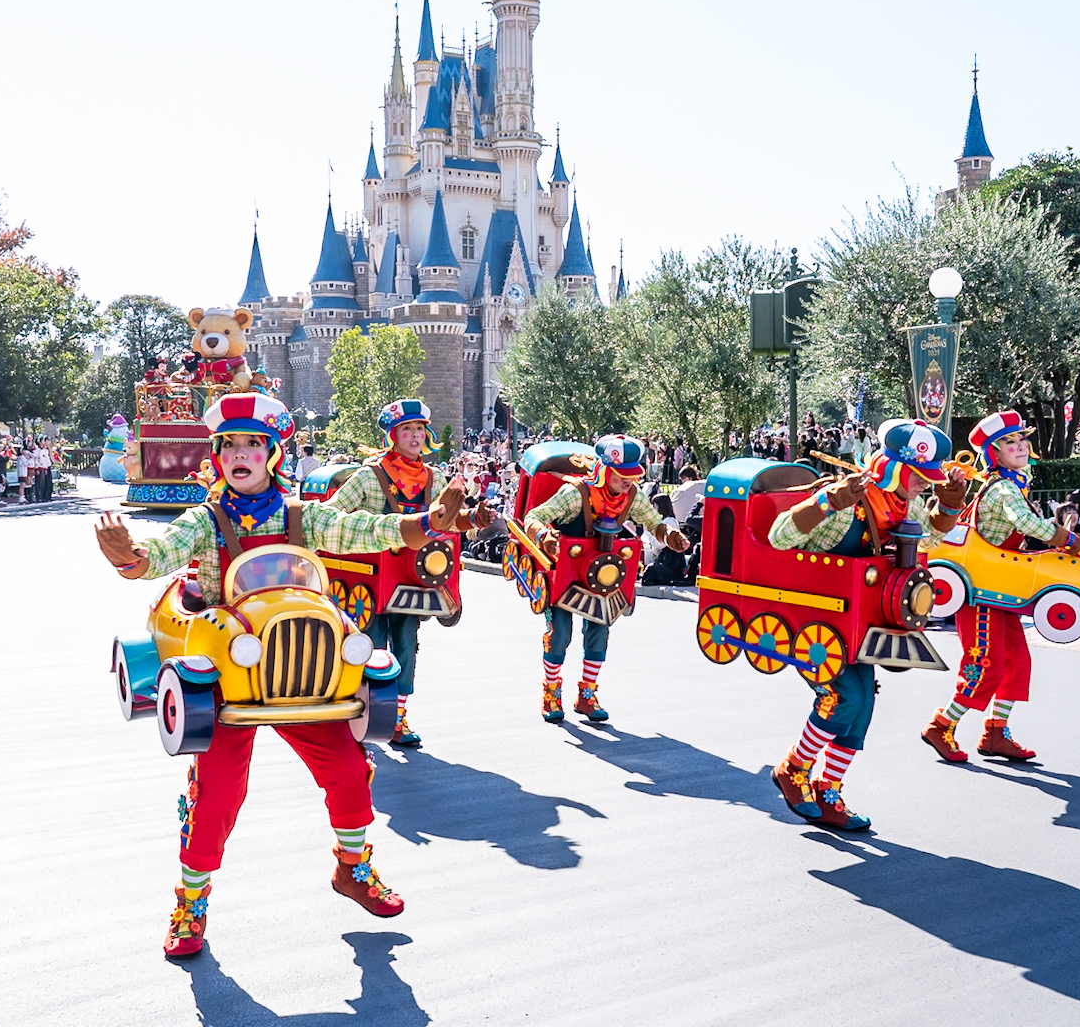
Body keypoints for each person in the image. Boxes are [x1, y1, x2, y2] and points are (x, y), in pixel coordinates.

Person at [94, 390, 468, 957]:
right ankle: (190, 905)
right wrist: (131, 556)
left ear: (272, 454)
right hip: (232, 673)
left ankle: (352, 868)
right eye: (228, 445)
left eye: (252, 443)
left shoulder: (301, 514)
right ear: (217, 455)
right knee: (217, 794)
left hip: (302, 669)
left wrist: (424, 523)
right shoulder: (205, 519)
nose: (238, 453)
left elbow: (363, 531)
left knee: (348, 768)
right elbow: (164, 551)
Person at [768, 420, 966, 831]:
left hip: (857, 621)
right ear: (893, 471)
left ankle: (829, 792)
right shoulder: (848, 503)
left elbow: (928, 539)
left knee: (863, 709)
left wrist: (948, 503)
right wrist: (829, 501)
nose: (922, 487)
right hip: (812, 618)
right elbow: (778, 537)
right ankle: (793, 768)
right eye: (919, 479)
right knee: (844, 700)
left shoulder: (901, 504)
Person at [921, 410, 1080, 766]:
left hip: (1002, 589)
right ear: (994, 453)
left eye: (1022, 439)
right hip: (983, 592)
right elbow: (1025, 522)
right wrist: (1066, 538)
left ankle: (995, 730)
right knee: (986, 663)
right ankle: (941, 724)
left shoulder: (1011, 484)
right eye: (1009, 442)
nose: (1020, 446)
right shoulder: (1004, 488)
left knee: (1016, 661)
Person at [326, 399, 493, 747]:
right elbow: (330, 514)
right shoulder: (368, 476)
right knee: (369, 645)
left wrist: (473, 520)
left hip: (413, 575)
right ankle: (364, 713)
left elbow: (449, 522)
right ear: (393, 435)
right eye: (407, 429)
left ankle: (398, 718)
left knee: (405, 646)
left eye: (420, 429)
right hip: (368, 578)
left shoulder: (435, 477)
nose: (415, 436)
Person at [524, 435, 689, 723]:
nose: (628, 481)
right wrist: (545, 535)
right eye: (622, 475)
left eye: (632, 475)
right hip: (566, 573)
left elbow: (653, 522)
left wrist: (669, 535)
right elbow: (535, 515)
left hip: (604, 575)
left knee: (600, 632)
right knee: (560, 635)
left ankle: (587, 694)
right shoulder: (575, 493)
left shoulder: (633, 496)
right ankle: (550, 691)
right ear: (604, 471)